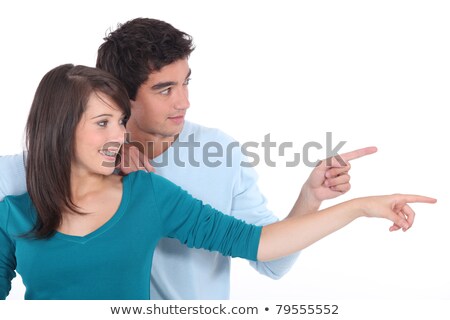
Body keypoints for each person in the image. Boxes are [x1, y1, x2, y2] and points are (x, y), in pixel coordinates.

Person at [0, 18, 373, 300]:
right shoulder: (20, 179)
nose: (184, 102)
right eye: (165, 89)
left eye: (186, 83)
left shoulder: (215, 156)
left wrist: (312, 200)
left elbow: (271, 259)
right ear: (120, 94)